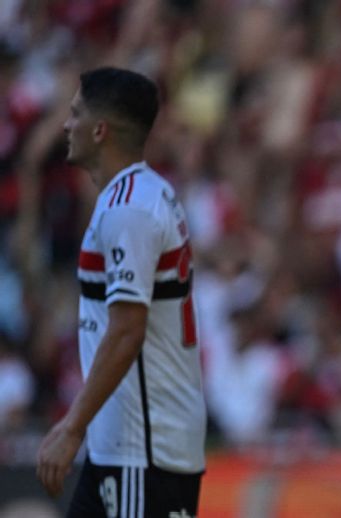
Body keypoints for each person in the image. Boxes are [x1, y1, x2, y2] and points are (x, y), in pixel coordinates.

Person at [36, 67, 205, 517]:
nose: (66, 125)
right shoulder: (143, 194)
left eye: (75, 114)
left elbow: (128, 329)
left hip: (142, 450)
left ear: (100, 129)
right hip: (129, 445)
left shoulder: (130, 208)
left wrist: (74, 426)